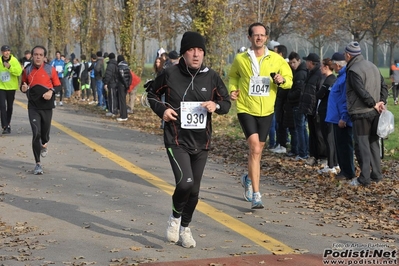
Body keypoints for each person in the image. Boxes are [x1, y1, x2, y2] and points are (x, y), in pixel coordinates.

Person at [147, 31, 231, 248]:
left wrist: (217, 105)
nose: (196, 55)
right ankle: (175, 219)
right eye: (192, 50)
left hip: (201, 142)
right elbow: (152, 95)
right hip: (176, 139)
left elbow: (226, 102)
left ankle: (185, 228)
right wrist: (163, 110)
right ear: (184, 53)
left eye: (200, 50)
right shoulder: (170, 74)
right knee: (185, 182)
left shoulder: (211, 76)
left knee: (194, 191)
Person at [229, 22, 293, 209]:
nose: (259, 37)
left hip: (266, 110)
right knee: (255, 148)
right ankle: (257, 194)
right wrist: (233, 90)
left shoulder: (276, 59)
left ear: (266, 37)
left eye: (262, 35)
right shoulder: (241, 59)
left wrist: (282, 80)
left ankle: (248, 178)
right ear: (249, 38)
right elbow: (233, 76)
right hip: (246, 108)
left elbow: (289, 80)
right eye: (255, 35)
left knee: (259, 149)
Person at [344, 41, 388, 186]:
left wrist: (372, 103)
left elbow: (360, 91)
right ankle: (376, 175)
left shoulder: (353, 70)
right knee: (374, 143)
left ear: (348, 55)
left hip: (361, 112)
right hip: (375, 112)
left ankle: (364, 178)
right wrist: (381, 101)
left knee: (362, 145)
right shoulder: (373, 66)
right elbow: (383, 85)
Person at [20, 45, 61, 175]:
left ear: (44, 57)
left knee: (44, 135)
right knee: (36, 132)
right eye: (36, 54)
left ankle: (44, 143)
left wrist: (51, 92)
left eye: (40, 55)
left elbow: (58, 86)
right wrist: (23, 88)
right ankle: (38, 164)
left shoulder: (50, 70)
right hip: (33, 106)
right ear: (32, 56)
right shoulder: (27, 70)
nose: (38, 57)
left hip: (47, 106)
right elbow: (22, 85)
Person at [325, 52, 355, 180]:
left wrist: (344, 117)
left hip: (341, 119)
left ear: (337, 65)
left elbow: (344, 99)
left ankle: (348, 172)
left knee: (344, 146)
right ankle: (345, 170)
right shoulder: (341, 77)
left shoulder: (344, 78)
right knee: (340, 145)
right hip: (337, 118)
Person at [270, 44, 297, 156]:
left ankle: (283, 144)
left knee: (282, 125)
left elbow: (289, 83)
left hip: (285, 101)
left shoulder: (284, 66)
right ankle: (279, 143)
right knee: (278, 124)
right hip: (280, 100)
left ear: (280, 54)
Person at [301, 53, 325, 167]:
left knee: (319, 134)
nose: (306, 63)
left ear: (311, 62)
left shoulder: (319, 75)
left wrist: (317, 110)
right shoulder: (310, 74)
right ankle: (313, 155)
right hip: (310, 109)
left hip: (316, 110)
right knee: (313, 134)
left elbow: (320, 93)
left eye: (307, 61)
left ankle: (322, 157)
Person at [317, 58, 338, 174]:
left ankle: (331, 165)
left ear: (326, 67)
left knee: (329, 139)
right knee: (330, 139)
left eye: (321, 66)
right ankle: (334, 163)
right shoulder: (331, 80)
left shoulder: (329, 80)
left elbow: (320, 95)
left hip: (327, 112)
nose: (320, 68)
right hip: (328, 112)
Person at [287, 52, 308, 160]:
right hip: (300, 104)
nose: (292, 65)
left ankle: (303, 152)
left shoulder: (300, 74)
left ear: (299, 61)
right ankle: (304, 151)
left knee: (300, 128)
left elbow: (299, 90)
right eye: (290, 63)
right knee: (302, 128)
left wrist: (290, 95)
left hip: (298, 104)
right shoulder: (301, 71)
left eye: (294, 62)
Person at [0, 45, 23, 134]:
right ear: (2, 52)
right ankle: (5, 126)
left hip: (11, 87)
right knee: (2, 106)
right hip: (1, 87)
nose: (7, 52)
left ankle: (8, 123)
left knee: (9, 107)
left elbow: (18, 72)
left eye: (8, 50)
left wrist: (10, 67)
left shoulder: (14, 61)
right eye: (5, 51)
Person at [116, 55, 131, 122]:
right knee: (123, 100)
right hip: (126, 85)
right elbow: (130, 77)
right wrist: (128, 84)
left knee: (121, 101)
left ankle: (123, 116)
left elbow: (122, 77)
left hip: (121, 85)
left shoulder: (120, 67)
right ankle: (125, 115)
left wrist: (125, 84)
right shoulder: (127, 66)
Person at [103, 53, 119, 117]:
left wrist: (106, 83)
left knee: (111, 97)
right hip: (116, 83)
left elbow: (108, 75)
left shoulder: (110, 65)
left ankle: (112, 111)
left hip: (111, 83)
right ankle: (115, 110)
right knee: (115, 97)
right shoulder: (117, 64)